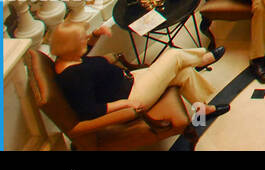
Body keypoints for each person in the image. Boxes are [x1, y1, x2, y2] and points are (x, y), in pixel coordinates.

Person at [51, 20, 229, 128]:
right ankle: (204, 59)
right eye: (82, 38)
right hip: (133, 97)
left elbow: (86, 49)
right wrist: (125, 103)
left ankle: (202, 110)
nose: (86, 39)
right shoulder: (72, 77)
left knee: (184, 72)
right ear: (71, 44)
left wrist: (96, 35)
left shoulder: (68, 57)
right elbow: (89, 111)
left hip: (130, 81)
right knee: (174, 56)